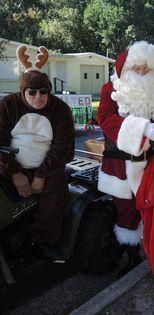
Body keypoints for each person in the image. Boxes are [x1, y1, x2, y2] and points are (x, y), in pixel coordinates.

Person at [96, 40, 154, 280]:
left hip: (150, 164)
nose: (143, 71)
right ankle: (133, 258)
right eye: (137, 67)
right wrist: (141, 128)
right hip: (119, 165)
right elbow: (104, 119)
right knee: (125, 214)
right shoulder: (110, 90)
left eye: (147, 67)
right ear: (126, 68)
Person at [0, 45, 75, 257]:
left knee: (56, 194)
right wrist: (14, 173)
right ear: (23, 91)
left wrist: (41, 175)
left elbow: (62, 146)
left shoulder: (60, 109)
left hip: (48, 169)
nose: (38, 97)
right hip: (12, 165)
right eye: (31, 92)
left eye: (43, 92)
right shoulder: (8, 105)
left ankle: (44, 241)